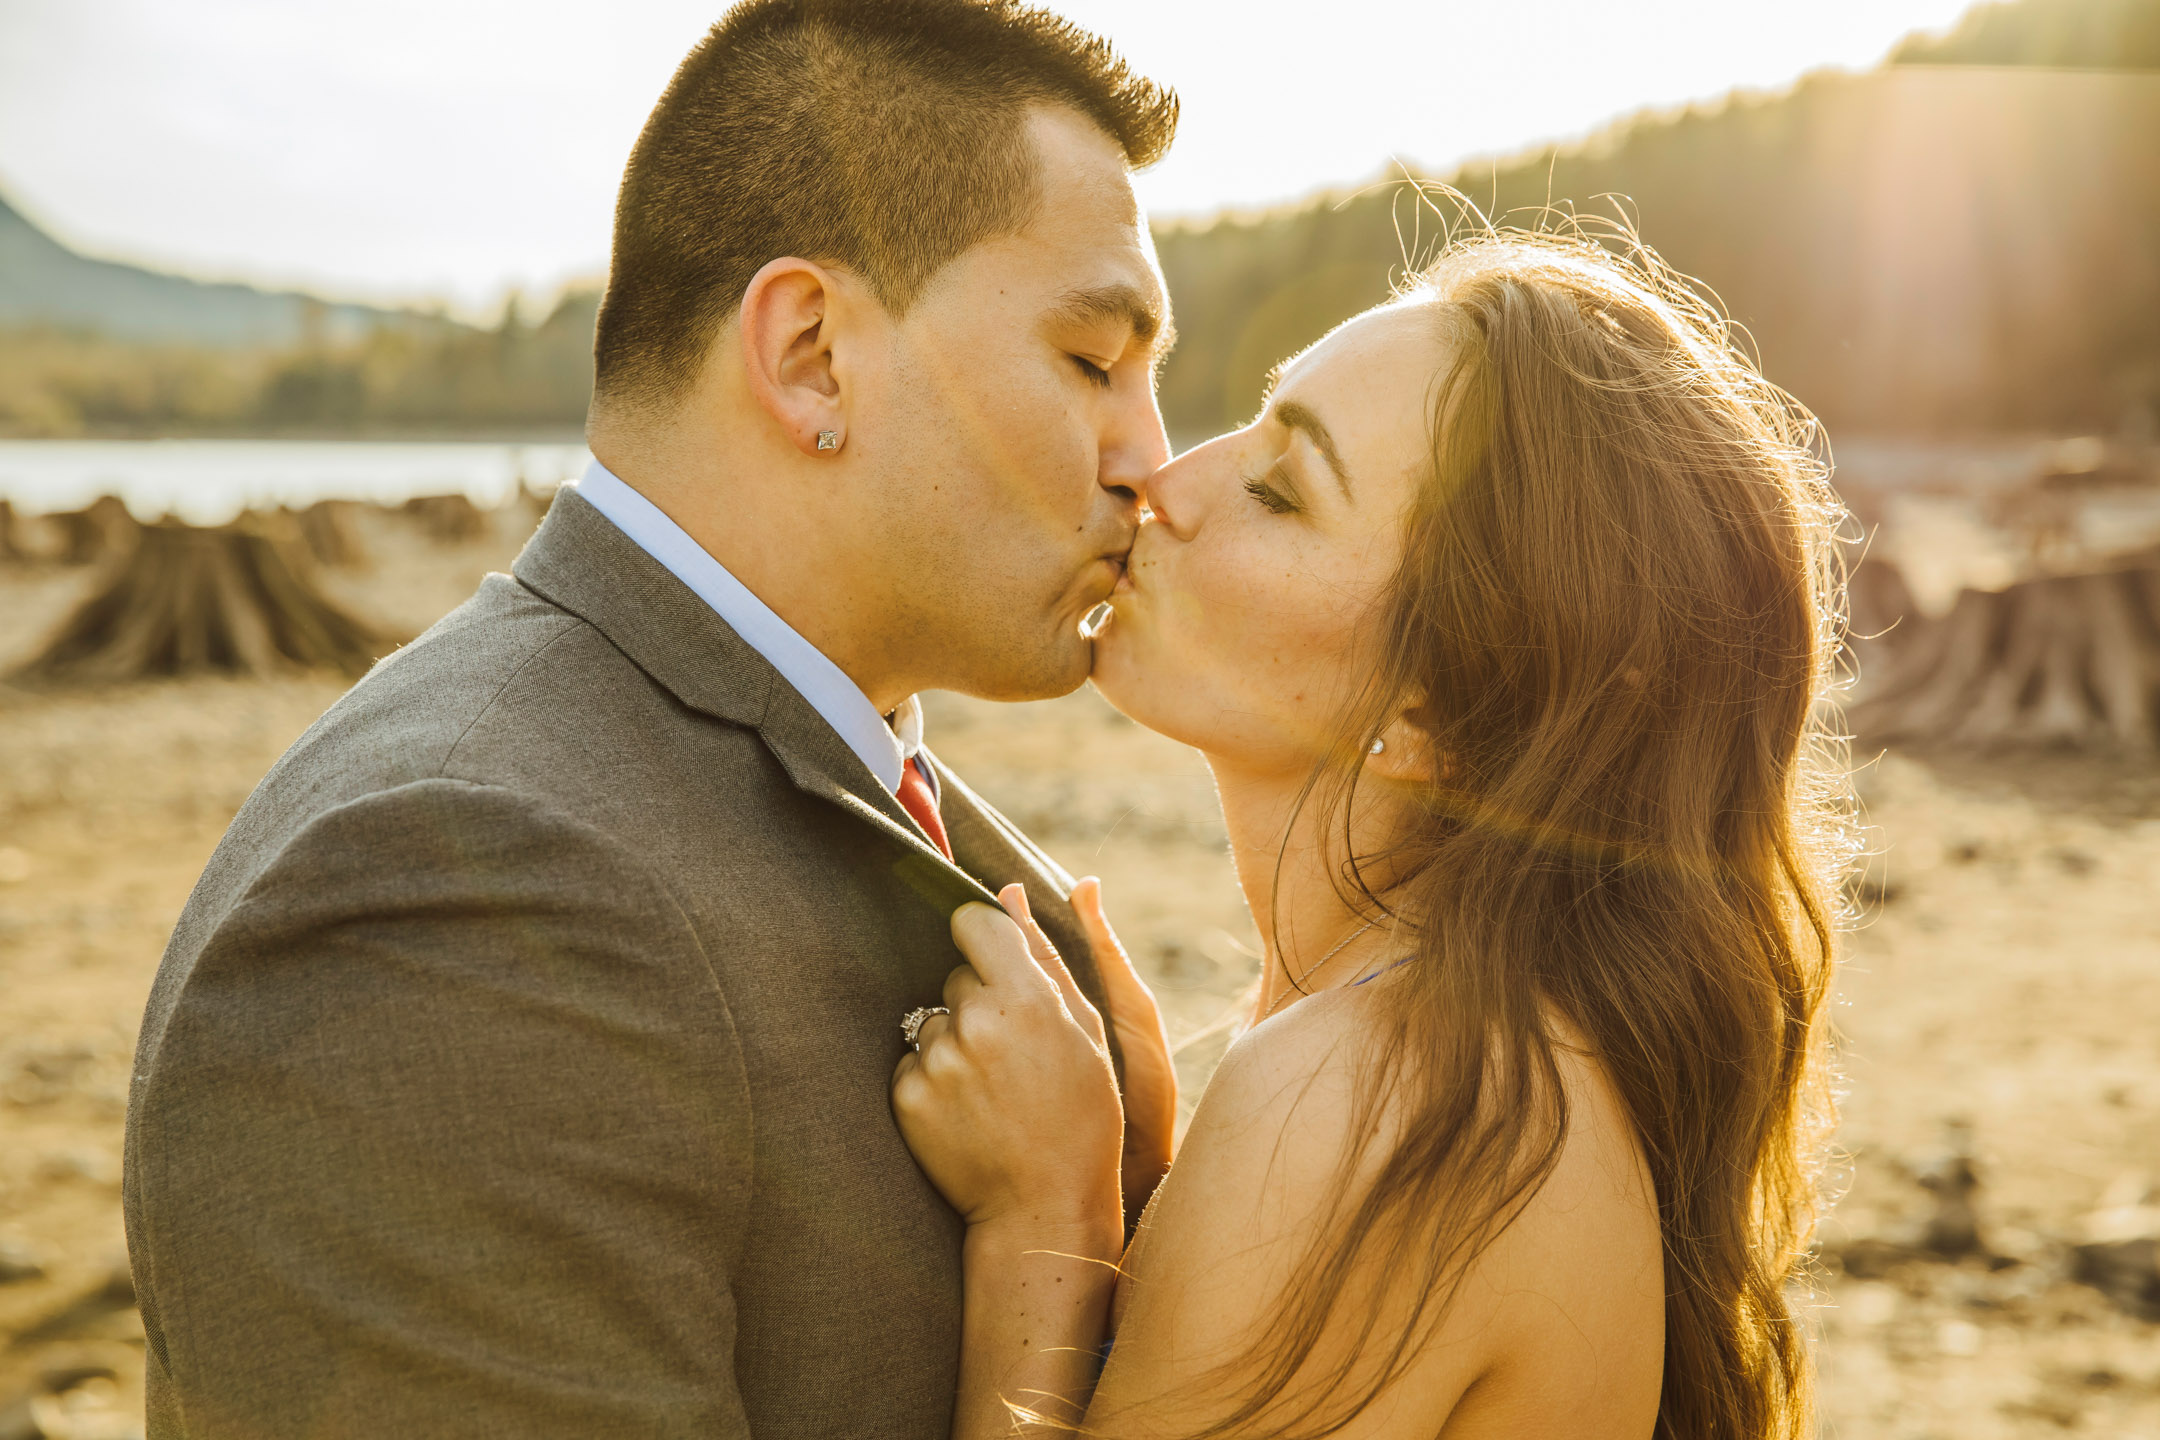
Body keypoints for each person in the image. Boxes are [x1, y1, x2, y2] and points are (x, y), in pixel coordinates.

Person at [122, 2, 1181, 1434]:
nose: (1151, 464)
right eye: (1093, 362)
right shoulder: (453, 892)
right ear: (812, 352)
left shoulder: (887, 804)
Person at [893, 225, 1852, 1438]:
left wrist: (1042, 1219)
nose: (1165, 483)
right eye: (1251, 421)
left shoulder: (1384, 1097)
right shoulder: (1485, 1058)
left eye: (1281, 490)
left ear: (1437, 706)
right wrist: (1150, 1187)